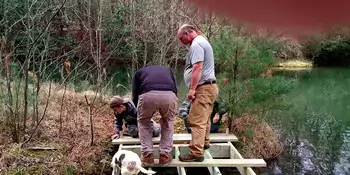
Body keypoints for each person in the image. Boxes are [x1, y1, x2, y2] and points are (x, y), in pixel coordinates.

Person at [177, 24, 219, 162]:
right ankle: (204, 143)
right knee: (205, 118)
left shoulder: (196, 44)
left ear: (187, 33)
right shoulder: (202, 41)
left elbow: (197, 67)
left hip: (203, 88)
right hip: (209, 88)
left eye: (180, 38)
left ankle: (196, 153)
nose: (180, 41)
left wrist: (192, 89)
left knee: (196, 121)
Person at [132, 65, 178, 165]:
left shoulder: (139, 72)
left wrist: (138, 109)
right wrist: (169, 111)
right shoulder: (168, 69)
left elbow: (135, 93)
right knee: (168, 121)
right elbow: (175, 87)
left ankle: (147, 155)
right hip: (170, 95)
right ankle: (164, 156)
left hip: (147, 94)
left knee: (143, 122)